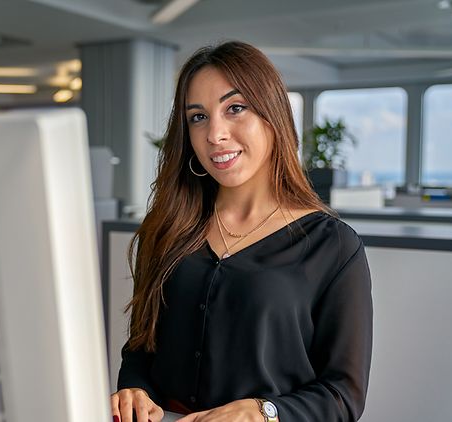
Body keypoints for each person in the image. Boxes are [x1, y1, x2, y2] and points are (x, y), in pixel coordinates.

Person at [109, 41, 373, 422]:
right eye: (198, 117)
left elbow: (344, 394)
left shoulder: (333, 245)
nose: (215, 134)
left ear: (272, 116)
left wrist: (264, 412)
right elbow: (140, 351)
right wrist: (133, 389)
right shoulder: (167, 228)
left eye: (235, 109)